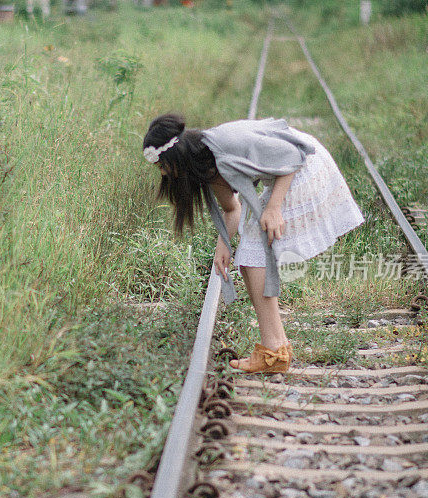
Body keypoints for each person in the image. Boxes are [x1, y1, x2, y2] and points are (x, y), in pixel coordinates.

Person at [142, 113, 365, 373]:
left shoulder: (223, 145)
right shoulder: (205, 163)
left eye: (161, 165)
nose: (162, 172)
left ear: (175, 156)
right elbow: (231, 209)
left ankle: (273, 351)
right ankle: (278, 349)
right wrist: (223, 246)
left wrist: (273, 207)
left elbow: (293, 156)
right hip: (292, 168)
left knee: (253, 256)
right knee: (248, 256)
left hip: (305, 165)